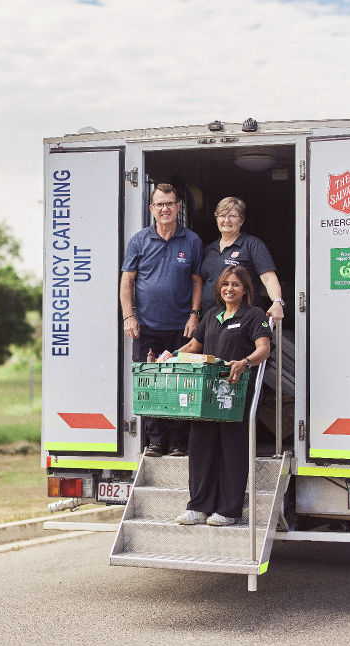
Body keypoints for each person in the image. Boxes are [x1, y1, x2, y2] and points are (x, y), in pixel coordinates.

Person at [174, 265, 271, 526]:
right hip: (206, 394)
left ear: (245, 290)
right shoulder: (211, 315)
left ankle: (228, 510)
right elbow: (195, 346)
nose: (230, 288)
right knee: (201, 448)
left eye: (236, 284)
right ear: (219, 288)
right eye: (226, 283)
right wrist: (169, 357)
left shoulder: (254, 315)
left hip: (236, 393)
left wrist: (245, 362)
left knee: (232, 450)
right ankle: (198, 507)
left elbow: (264, 348)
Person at [120, 183, 203, 457]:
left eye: (170, 203)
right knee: (151, 383)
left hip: (181, 327)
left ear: (178, 207)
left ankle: (179, 442)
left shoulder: (191, 240)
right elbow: (127, 281)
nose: (165, 209)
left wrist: (194, 314)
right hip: (147, 328)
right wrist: (129, 316)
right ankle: (155, 441)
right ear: (151, 209)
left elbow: (197, 281)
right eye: (160, 204)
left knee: (180, 383)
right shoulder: (139, 240)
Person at [199, 197, 285, 324]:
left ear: (241, 220)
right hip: (210, 320)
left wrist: (277, 302)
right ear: (216, 219)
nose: (226, 220)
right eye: (222, 215)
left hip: (242, 321)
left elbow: (269, 278)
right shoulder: (208, 249)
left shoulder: (252, 245)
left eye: (232, 216)